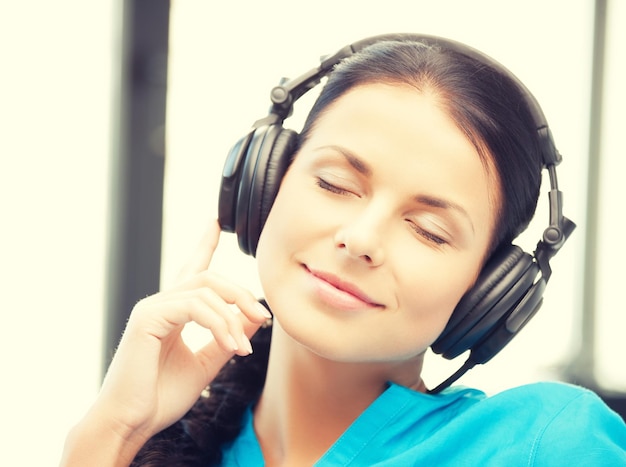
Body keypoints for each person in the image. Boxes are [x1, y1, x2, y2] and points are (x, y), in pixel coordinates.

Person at [61, 34, 626, 466]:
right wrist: (114, 431)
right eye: (334, 184)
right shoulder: (160, 443)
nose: (360, 239)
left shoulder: (544, 443)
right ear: (265, 186)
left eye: (428, 230)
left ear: (487, 291)